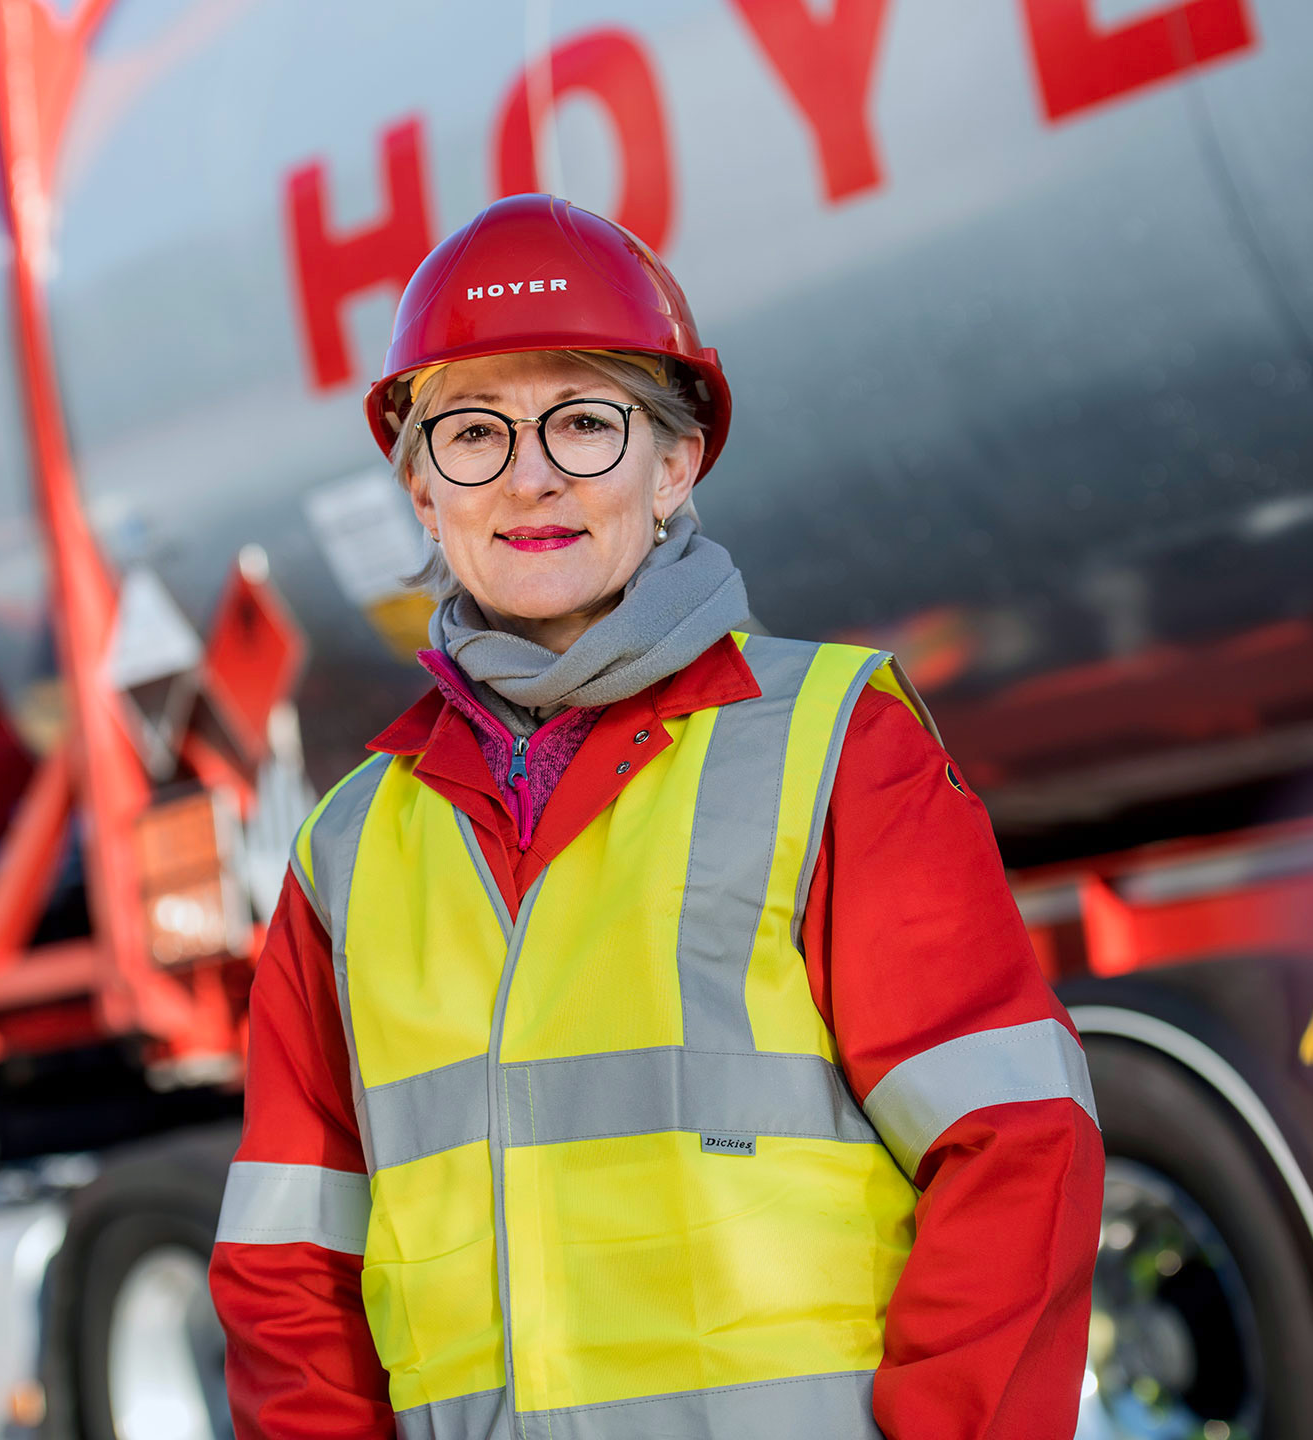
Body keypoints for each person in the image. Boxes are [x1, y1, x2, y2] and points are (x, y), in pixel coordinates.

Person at [210, 194, 1102, 1440]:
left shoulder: (833, 741)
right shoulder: (349, 849)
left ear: (674, 463)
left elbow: (1017, 1146)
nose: (529, 479)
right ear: (421, 490)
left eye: (584, 423)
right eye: (472, 434)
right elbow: (291, 1275)